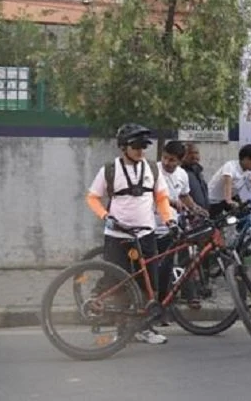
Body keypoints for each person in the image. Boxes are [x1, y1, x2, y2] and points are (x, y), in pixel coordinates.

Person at [85, 123, 175, 345]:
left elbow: (162, 198)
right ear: (123, 147)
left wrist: (169, 219)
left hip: (146, 235)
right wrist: (105, 215)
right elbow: (92, 197)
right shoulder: (109, 170)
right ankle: (122, 329)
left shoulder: (153, 169)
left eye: (143, 146)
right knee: (119, 282)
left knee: (148, 284)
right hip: (117, 236)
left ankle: (144, 328)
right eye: (136, 146)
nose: (140, 150)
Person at [155, 141, 205, 312]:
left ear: (180, 160)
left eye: (172, 160)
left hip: (171, 227)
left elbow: (184, 195)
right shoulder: (153, 171)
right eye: (165, 158)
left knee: (166, 269)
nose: (167, 163)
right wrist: (171, 202)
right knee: (151, 269)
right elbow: (151, 195)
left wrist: (196, 208)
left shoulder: (182, 175)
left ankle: (163, 307)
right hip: (150, 226)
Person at [207, 144, 251, 216]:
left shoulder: (249, 171)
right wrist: (229, 200)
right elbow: (227, 183)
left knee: (244, 216)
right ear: (246, 159)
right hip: (214, 200)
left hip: (231, 197)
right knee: (216, 224)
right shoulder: (230, 166)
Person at [181, 142, 210, 212]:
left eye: (196, 153)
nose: (194, 156)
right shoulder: (181, 173)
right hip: (190, 215)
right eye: (190, 153)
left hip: (203, 214)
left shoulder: (199, 173)